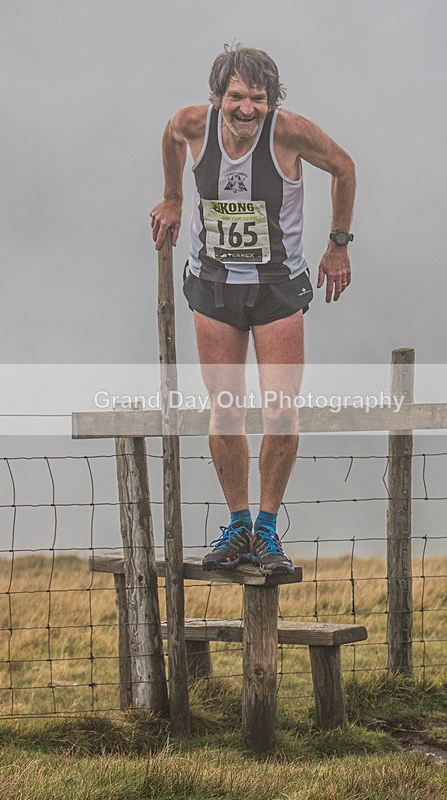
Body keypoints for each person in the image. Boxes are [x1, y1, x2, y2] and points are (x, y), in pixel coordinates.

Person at [150, 45, 355, 575]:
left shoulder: (289, 133)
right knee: (224, 408)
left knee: (281, 408)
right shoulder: (193, 124)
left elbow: (344, 167)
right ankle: (237, 523)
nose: (246, 109)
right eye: (236, 97)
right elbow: (170, 136)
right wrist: (173, 196)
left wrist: (338, 244)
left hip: (276, 289)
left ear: (272, 101)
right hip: (214, 285)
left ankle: (266, 529)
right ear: (217, 97)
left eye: (258, 99)